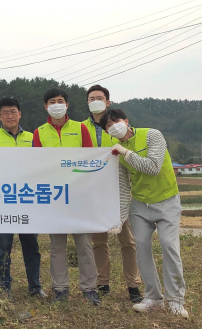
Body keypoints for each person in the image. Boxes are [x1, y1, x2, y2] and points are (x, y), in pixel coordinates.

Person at [101, 109, 188, 319]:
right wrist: (120, 219)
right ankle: (152, 298)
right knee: (142, 247)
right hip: (140, 205)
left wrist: (125, 152)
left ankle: (176, 300)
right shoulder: (117, 151)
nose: (114, 126)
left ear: (127, 121)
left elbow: (153, 167)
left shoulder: (152, 135)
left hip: (167, 200)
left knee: (169, 245)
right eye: (108, 126)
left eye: (117, 121)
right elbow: (123, 187)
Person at [32, 89, 100, 305]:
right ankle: (60, 289)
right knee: (57, 246)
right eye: (52, 102)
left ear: (67, 105)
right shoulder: (39, 132)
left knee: (85, 245)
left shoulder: (80, 128)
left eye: (60, 101)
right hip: (54, 197)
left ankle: (90, 289)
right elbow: (37, 165)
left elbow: (90, 159)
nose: (56, 105)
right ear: (46, 106)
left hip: (79, 197)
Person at [83, 85, 142, 303]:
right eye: (91, 98)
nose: (95, 101)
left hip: (120, 190)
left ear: (108, 102)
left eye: (100, 98)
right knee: (98, 242)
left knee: (128, 241)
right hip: (93, 191)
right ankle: (102, 283)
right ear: (87, 102)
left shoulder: (119, 126)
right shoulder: (80, 128)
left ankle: (133, 285)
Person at [0, 98, 46, 299]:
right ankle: (3, 288)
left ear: (20, 114)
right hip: (2, 202)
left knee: (32, 247)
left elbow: (42, 165)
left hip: (28, 200)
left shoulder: (33, 137)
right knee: (2, 248)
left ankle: (35, 287)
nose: (10, 116)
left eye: (13, 111)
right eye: (5, 113)